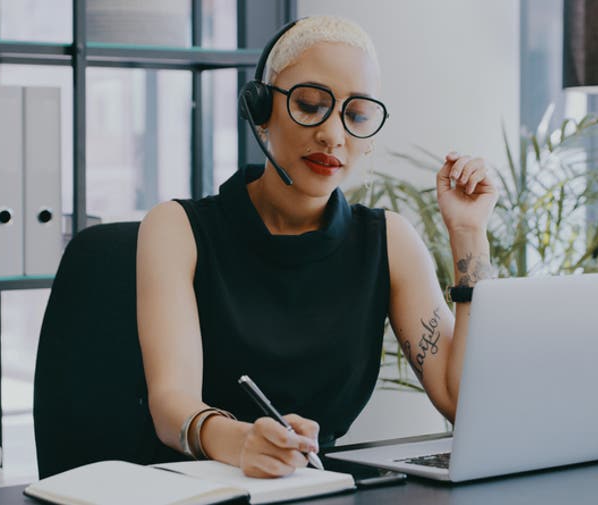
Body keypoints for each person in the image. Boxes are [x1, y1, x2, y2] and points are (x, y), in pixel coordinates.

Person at [136, 15, 498, 479]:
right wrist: (243, 441)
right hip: (196, 486)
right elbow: (170, 405)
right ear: (260, 108)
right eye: (309, 105)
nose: (333, 134)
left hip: (316, 485)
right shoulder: (177, 228)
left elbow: (461, 400)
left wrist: (468, 234)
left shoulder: (388, 241)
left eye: (357, 115)